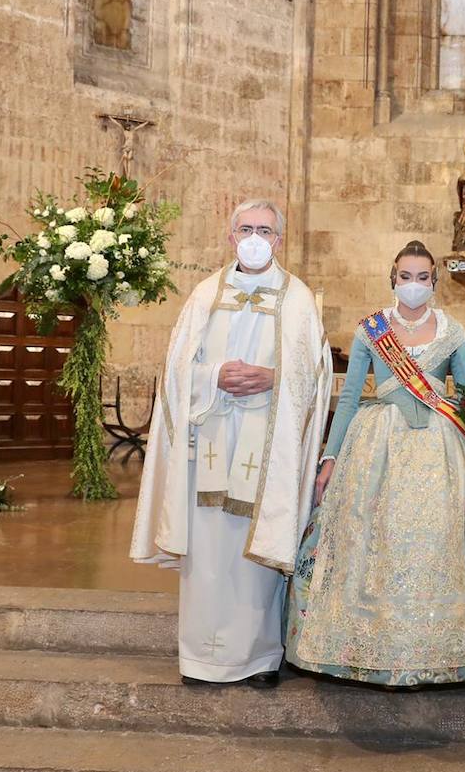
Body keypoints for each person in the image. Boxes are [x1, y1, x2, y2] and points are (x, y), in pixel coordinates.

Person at [285, 240, 465, 687]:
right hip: (377, 445)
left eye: (423, 277)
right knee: (376, 536)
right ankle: (363, 644)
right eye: (405, 277)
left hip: (442, 447)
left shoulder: (452, 333)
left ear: (434, 281)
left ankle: (447, 646)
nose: (414, 285)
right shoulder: (370, 331)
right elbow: (351, 397)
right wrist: (331, 456)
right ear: (393, 278)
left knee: (439, 538)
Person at [130, 199, 333, 689]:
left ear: (280, 240)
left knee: (253, 553)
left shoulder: (298, 298)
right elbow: (175, 369)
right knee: (209, 554)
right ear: (230, 235)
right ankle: (200, 659)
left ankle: (260, 658)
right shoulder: (204, 295)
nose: (256, 236)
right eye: (247, 228)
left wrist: (274, 376)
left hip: (267, 446)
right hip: (212, 438)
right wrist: (216, 374)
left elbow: (318, 373)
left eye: (266, 229)